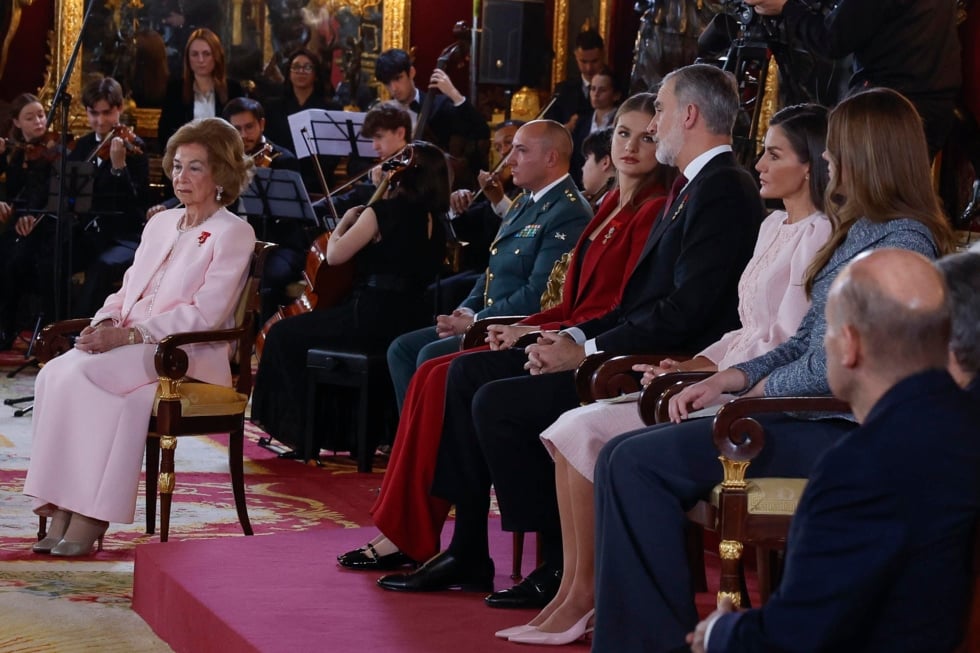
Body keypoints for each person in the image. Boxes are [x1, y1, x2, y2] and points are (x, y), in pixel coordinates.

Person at [376, 65, 764, 607]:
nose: (655, 125)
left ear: (690, 115)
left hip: (664, 365)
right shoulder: (693, 186)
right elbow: (635, 304)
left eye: (660, 112)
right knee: (466, 375)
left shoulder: (719, 188)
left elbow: (686, 312)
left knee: (494, 398)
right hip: (635, 347)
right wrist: (569, 338)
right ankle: (471, 550)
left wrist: (582, 349)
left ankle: (558, 565)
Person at [590, 87, 956, 653]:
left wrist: (756, 391)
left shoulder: (903, 240)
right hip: (801, 416)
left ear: (866, 154)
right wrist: (729, 379)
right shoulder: (862, 228)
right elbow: (807, 340)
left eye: (836, 150)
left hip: (844, 428)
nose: (828, 159)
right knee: (620, 455)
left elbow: (846, 364)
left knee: (635, 463)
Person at [498, 103, 833, 645]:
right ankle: (574, 590)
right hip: (728, 371)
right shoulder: (773, 224)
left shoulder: (820, 234)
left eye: (774, 155)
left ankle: (589, 597)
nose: (760, 164)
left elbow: (787, 344)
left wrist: (714, 378)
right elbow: (745, 327)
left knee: (587, 430)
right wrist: (691, 365)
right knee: (570, 428)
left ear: (811, 165)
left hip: (757, 397)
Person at [337, 93, 669, 572]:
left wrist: (516, 328)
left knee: (448, 374)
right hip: (551, 331)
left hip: (588, 351)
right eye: (622, 133)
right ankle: (434, 533)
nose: (630, 146)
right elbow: (511, 281)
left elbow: (589, 304)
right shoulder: (610, 203)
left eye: (646, 137)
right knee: (429, 367)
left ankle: (452, 540)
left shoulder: (615, 208)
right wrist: (496, 320)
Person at [689, 249, 980, 653]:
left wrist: (719, 634)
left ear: (849, 345)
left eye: (827, 333)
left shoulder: (862, 467)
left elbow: (796, 639)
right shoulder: (963, 423)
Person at [22, 117, 256, 556]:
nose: (181, 177)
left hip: (183, 352)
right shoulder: (161, 223)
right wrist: (105, 321)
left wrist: (132, 335)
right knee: (54, 374)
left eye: (195, 167)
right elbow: (128, 289)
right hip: (132, 343)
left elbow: (206, 313)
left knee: (84, 377)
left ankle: (90, 513)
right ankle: (65, 506)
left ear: (222, 174)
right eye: (177, 166)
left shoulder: (234, 232)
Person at [249, 141, 451, 450]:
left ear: (402, 175)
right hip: (411, 319)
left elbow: (335, 255)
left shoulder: (380, 212)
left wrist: (345, 221)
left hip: (370, 317)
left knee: (282, 334)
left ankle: (304, 433)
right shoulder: (437, 221)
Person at [385, 120, 592, 410]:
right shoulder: (523, 202)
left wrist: (476, 322)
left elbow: (539, 294)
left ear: (551, 158)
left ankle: (440, 438)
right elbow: (493, 267)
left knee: (429, 355)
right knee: (401, 349)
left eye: (521, 150)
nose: (509, 160)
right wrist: (466, 310)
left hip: (517, 328)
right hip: (487, 319)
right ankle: (414, 436)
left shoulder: (568, 212)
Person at [744, 0, 961, 157]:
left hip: (890, 111)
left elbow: (833, 39)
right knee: (897, 198)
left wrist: (787, 8)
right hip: (933, 101)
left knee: (863, 197)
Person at [219, 97, 308, 322]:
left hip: (280, 245)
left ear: (262, 124)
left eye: (249, 127)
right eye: (236, 129)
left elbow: (290, 217)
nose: (243, 135)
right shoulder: (225, 160)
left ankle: (265, 335)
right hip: (238, 242)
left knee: (269, 278)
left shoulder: (282, 160)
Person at [69, 76, 151, 318]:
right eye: (94, 113)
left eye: (107, 113)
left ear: (119, 109)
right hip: (89, 233)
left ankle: (78, 328)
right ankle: (50, 323)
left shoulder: (135, 147)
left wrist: (119, 168)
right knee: (53, 255)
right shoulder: (82, 146)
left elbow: (137, 202)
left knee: (102, 266)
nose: (100, 120)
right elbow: (71, 195)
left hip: (123, 237)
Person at [374, 47, 490, 187]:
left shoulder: (439, 106)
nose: (394, 88)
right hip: (395, 186)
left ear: (411, 72)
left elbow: (481, 131)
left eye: (398, 78)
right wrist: (376, 170)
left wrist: (454, 94)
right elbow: (366, 159)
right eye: (387, 83)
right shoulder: (384, 114)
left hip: (434, 187)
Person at [0, 93, 58, 350]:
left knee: (17, 260)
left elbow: (50, 195)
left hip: (45, 224)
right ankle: (5, 328)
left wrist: (32, 216)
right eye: (30, 118)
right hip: (16, 224)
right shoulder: (12, 154)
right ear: (16, 122)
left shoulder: (54, 152)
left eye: (41, 115)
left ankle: (16, 327)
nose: (39, 122)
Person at [262, 48, 341, 193]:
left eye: (307, 67)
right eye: (296, 67)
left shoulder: (330, 108)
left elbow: (333, 152)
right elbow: (270, 144)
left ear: (316, 74)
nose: (301, 71)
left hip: (319, 182)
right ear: (289, 72)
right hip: (282, 177)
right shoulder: (273, 107)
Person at [158, 28, 244, 149]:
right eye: (195, 54)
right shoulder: (175, 90)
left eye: (206, 54)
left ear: (216, 56)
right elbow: (165, 133)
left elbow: (239, 133)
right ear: (188, 58)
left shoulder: (233, 89)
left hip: (224, 156)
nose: (201, 60)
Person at [569, 67, 622, 186]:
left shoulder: (621, 122)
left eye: (602, 90)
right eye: (593, 89)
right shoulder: (581, 122)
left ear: (616, 95)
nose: (596, 94)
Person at [546, 29, 605, 129]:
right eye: (583, 61)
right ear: (576, 56)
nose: (589, 68)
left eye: (594, 61)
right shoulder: (563, 90)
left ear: (603, 55)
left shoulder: (617, 88)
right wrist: (566, 129)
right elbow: (550, 127)